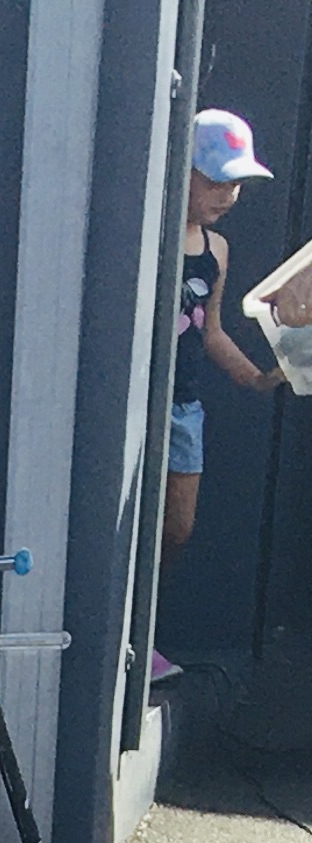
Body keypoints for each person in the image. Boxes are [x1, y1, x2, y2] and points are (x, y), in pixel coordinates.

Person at [168, 109, 276, 556]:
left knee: (178, 526)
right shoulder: (153, 236)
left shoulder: (218, 250)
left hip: (184, 404)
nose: (228, 195)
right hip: (138, 400)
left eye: (236, 184)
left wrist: (255, 377)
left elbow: (210, 331)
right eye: (215, 182)